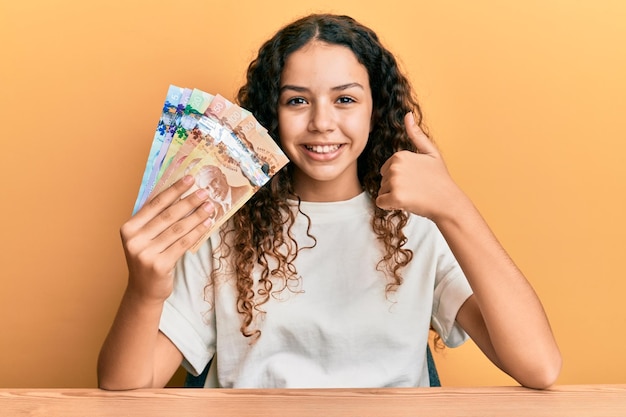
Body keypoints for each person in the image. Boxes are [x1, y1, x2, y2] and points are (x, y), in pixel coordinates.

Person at [98, 13, 561, 390]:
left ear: (375, 109)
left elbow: (539, 367)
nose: (322, 122)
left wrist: (455, 207)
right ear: (270, 115)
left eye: (344, 99)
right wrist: (144, 291)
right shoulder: (224, 226)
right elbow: (127, 386)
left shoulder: (419, 224)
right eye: (297, 101)